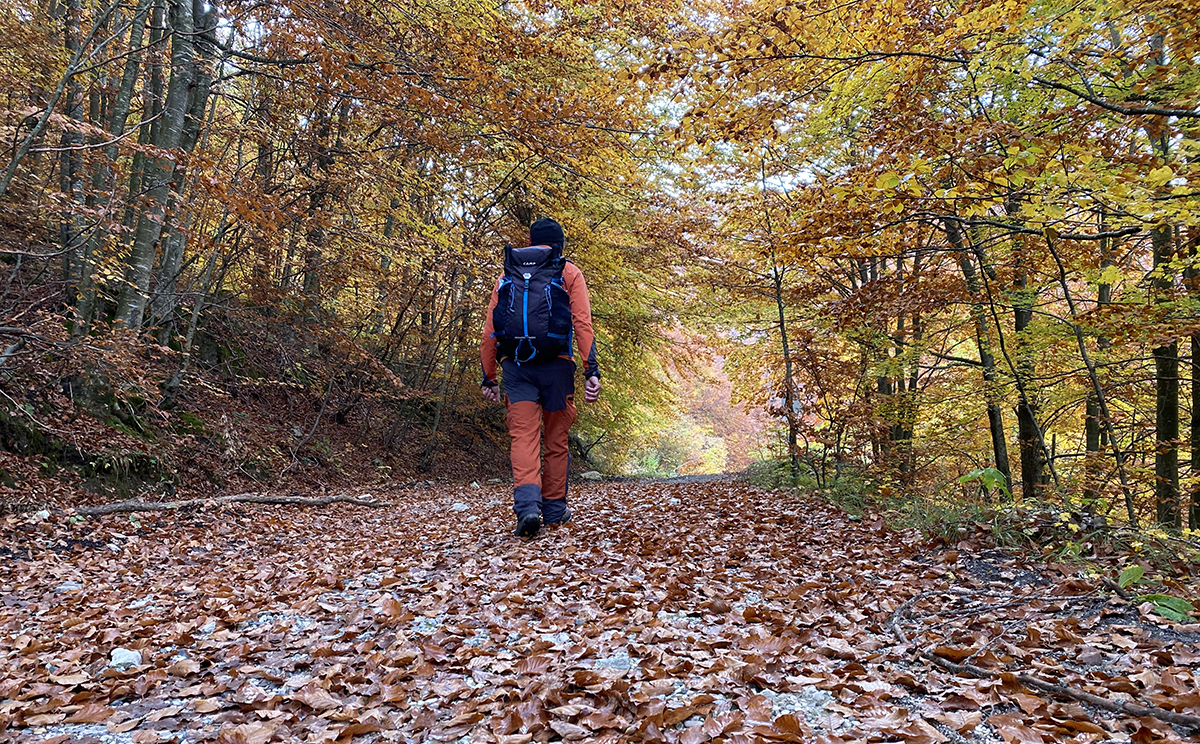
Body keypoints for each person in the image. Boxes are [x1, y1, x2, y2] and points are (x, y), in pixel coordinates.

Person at [480, 217, 601, 538]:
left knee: (523, 438)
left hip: (517, 367)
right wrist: (592, 371)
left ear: (532, 241)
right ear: (559, 243)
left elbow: (490, 332)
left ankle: (528, 508)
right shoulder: (568, 271)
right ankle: (555, 510)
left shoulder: (509, 273)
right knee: (556, 440)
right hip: (558, 367)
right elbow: (582, 324)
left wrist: (489, 377)